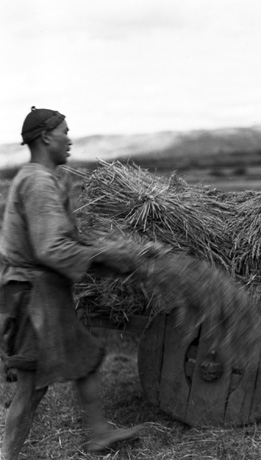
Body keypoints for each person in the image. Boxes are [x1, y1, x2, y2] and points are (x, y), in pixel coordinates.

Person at [0, 107, 143, 459]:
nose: (70, 138)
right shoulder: (37, 182)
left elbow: (61, 243)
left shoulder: (45, 179)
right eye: (65, 131)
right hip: (34, 297)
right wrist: (103, 258)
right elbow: (51, 248)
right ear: (46, 136)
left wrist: (105, 257)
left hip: (44, 293)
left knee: (85, 358)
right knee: (31, 388)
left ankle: (97, 434)